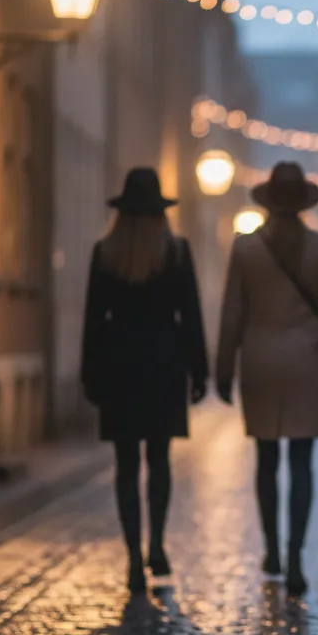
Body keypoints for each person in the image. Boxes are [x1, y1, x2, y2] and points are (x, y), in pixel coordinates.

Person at [216, 161, 318, 596]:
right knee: (301, 462)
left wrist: (224, 366)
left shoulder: (246, 249)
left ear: (269, 202)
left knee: (267, 458)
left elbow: (232, 314)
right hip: (305, 359)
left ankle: (271, 548)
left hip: (259, 357)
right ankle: (295, 556)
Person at [81, 167, 208, 593]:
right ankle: (157, 544)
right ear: (159, 212)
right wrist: (199, 370)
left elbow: (93, 320)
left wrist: (90, 373)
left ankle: (133, 556)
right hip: (164, 366)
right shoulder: (175, 252)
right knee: (159, 460)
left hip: (119, 366)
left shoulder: (106, 252)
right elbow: (190, 315)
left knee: (125, 465)